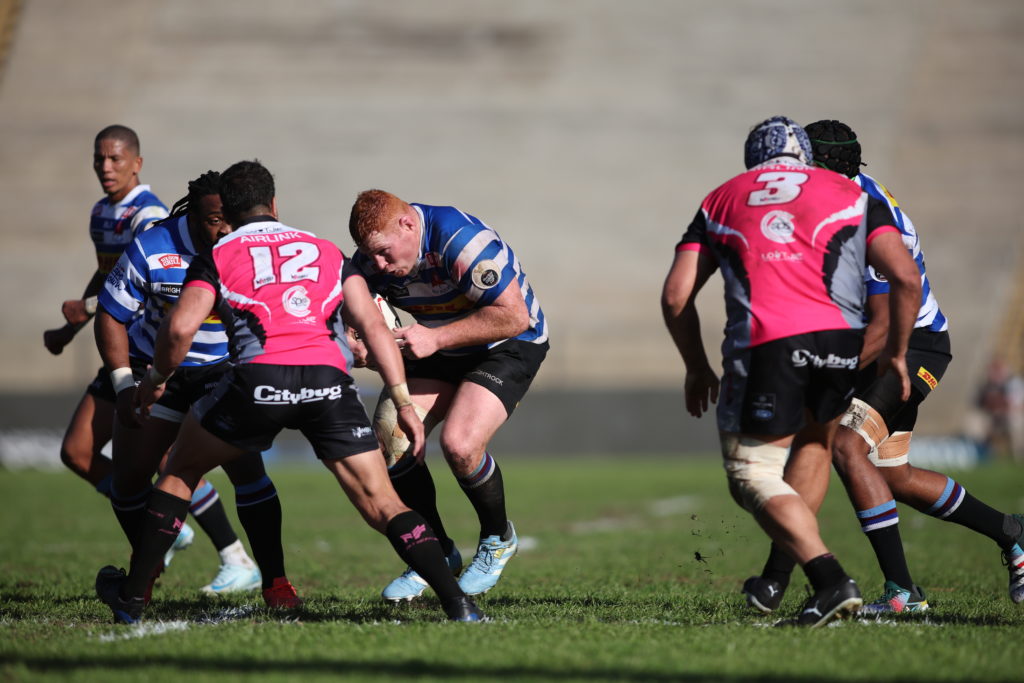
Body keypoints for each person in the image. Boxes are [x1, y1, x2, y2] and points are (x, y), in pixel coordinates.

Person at [94, 160, 483, 624]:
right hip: (327, 383)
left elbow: (179, 328)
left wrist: (153, 383)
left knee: (179, 474)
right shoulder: (324, 249)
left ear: (228, 214)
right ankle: (458, 604)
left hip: (257, 380)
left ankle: (133, 600)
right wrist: (403, 402)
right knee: (384, 504)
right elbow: (375, 328)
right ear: (273, 204)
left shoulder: (218, 254)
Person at [741, 119, 1024, 614]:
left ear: (822, 168)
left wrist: (828, 371)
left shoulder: (865, 214)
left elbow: (883, 321)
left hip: (913, 345)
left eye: (802, 165)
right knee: (892, 475)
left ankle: (900, 593)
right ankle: (1012, 533)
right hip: (881, 342)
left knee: (844, 446)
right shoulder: (833, 201)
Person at [661, 116, 923, 627]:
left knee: (750, 474)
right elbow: (905, 277)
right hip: (842, 344)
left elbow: (676, 294)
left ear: (753, 161)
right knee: (813, 445)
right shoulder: (851, 192)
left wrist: (695, 366)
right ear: (805, 157)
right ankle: (783, 580)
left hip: (769, 343)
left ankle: (828, 579)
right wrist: (895, 353)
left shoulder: (723, 197)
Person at [347, 189, 548, 601]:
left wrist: (436, 338)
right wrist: (357, 344)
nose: (381, 264)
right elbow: (353, 317)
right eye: (373, 256)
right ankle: (434, 551)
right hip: (439, 344)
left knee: (459, 445)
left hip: (507, 343)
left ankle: (497, 539)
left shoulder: (460, 241)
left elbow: (513, 315)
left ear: (407, 224)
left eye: (386, 253)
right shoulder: (367, 263)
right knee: (390, 439)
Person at [95, 171, 270, 598]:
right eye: (214, 219)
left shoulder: (244, 246)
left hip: (223, 369)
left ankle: (271, 578)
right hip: (158, 373)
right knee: (129, 479)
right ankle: (145, 574)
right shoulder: (153, 246)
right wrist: (122, 385)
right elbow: (111, 314)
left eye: (228, 218)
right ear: (192, 215)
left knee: (248, 469)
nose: (225, 228)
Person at [42, 125, 198, 564]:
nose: (105, 167)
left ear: (137, 164)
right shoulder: (100, 213)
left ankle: (232, 555)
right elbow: (107, 277)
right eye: (99, 159)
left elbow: (140, 284)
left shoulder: (149, 216)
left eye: (115, 159)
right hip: (120, 348)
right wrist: (73, 325)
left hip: (147, 350)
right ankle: (161, 525)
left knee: (174, 459)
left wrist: (86, 309)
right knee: (78, 451)